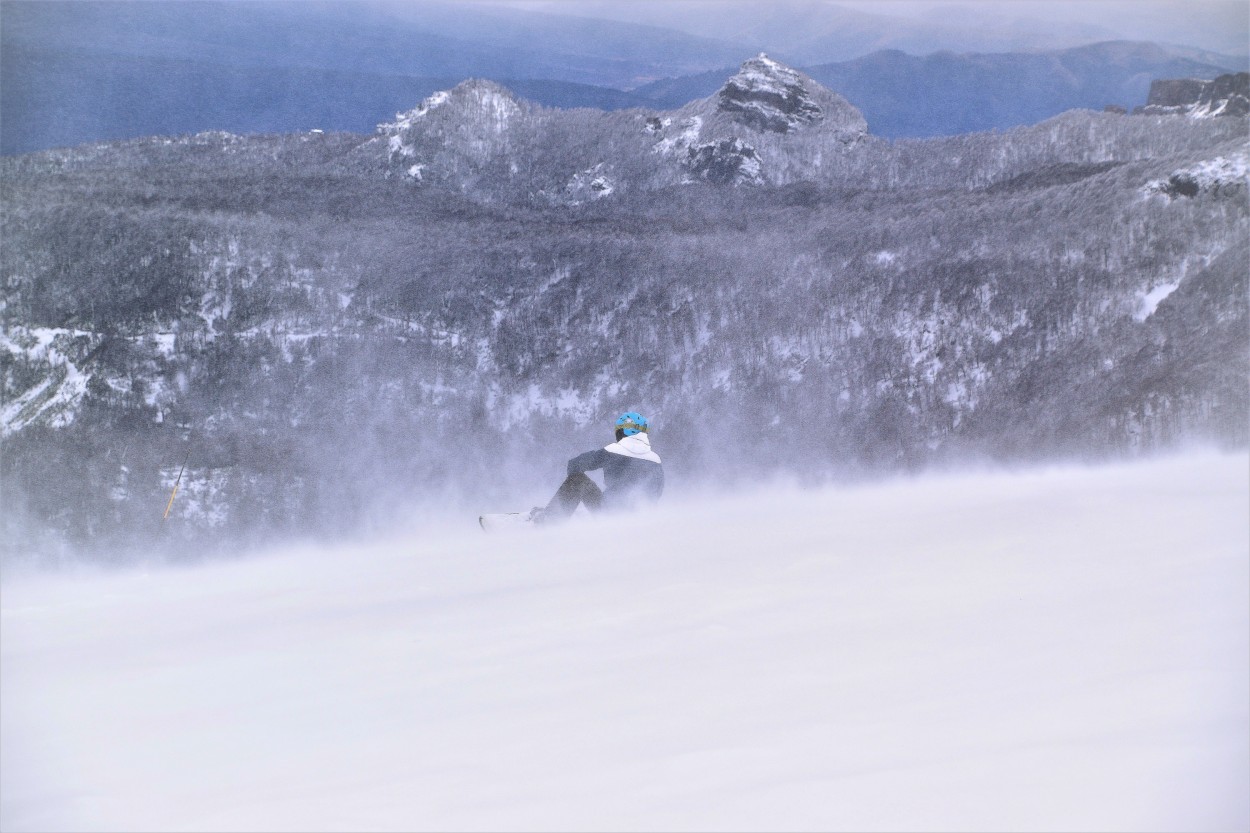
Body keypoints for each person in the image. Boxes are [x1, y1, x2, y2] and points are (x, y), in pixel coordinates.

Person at [530, 412, 663, 523]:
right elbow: (656, 494)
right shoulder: (656, 460)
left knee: (577, 479)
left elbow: (575, 465)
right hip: (642, 519)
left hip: (610, 514)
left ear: (623, 431)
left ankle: (551, 518)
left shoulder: (614, 450)